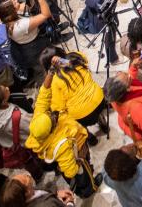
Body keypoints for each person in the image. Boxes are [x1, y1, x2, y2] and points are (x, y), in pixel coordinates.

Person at [27, 69, 101, 198]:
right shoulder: (60, 145)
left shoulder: (38, 119)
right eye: (52, 119)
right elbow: (71, 171)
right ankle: (89, 190)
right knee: (83, 177)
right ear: (50, 130)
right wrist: (78, 160)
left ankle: (82, 187)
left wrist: (50, 73)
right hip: (78, 156)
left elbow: (43, 95)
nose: (52, 114)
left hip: (65, 157)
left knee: (76, 176)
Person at [37, 48, 109, 145]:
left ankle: (90, 138)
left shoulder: (54, 81)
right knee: (94, 107)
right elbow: (85, 59)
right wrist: (62, 61)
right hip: (100, 100)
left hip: (83, 117)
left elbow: (59, 107)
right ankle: (103, 124)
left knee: (69, 119)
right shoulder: (76, 58)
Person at [0, 0, 52, 83]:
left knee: (44, 65)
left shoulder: (7, 22)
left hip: (26, 48)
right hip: (35, 50)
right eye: (14, 3)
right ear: (12, 11)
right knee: (44, 69)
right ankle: (47, 87)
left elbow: (26, 7)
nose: (16, 1)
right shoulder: (20, 26)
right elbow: (46, 14)